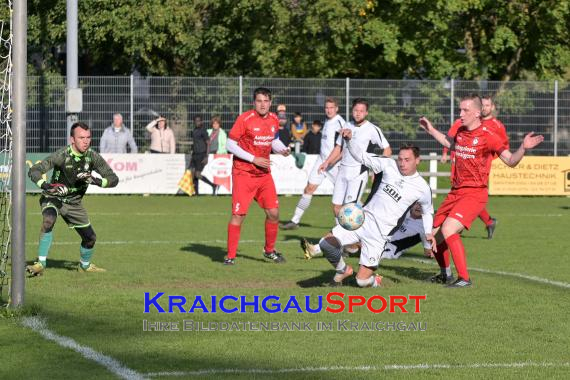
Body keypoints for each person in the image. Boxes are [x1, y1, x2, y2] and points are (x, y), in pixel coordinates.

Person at [419, 94, 543, 287]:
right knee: (431, 236)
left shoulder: (488, 136)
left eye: (465, 110)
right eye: (460, 109)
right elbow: (449, 143)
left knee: (449, 229)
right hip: (455, 192)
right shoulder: (460, 131)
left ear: (477, 113)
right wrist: (431, 130)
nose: (460, 114)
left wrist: (523, 148)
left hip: (475, 193)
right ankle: (446, 274)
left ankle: (464, 279)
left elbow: (511, 161)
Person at [309, 138, 435, 287]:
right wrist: (349, 140)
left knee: (361, 282)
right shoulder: (388, 165)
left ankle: (375, 281)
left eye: (407, 160)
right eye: (400, 159)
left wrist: (428, 232)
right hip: (361, 220)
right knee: (326, 244)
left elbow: (427, 212)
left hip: (379, 235)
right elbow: (361, 155)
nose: (402, 163)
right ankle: (342, 270)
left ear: (417, 160)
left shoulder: (422, 187)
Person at [26, 122, 119, 276]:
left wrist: (95, 180)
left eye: (88, 137)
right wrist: (47, 186)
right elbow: (35, 170)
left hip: (75, 204)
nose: (86, 141)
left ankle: (85, 265)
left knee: (90, 239)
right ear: (72, 140)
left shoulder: (93, 157)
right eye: (81, 137)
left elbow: (113, 179)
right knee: (48, 220)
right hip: (53, 197)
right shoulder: (62, 155)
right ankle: (40, 263)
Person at [224, 87, 291, 265]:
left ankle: (269, 251)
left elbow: (274, 140)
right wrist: (254, 159)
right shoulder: (244, 119)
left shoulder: (274, 119)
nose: (263, 104)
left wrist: (282, 149)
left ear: (270, 103)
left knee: (274, 213)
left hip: (263, 174)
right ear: (254, 102)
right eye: (259, 101)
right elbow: (230, 145)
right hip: (243, 173)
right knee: (239, 215)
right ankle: (230, 257)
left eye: (266, 101)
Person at [440, 95, 509, 239]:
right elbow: (450, 139)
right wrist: (446, 153)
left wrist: (488, 158)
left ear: (492, 107)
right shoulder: (464, 123)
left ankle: (466, 221)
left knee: (472, 196)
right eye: (482, 105)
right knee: (465, 196)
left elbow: (503, 148)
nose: (484, 108)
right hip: (460, 165)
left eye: (487, 105)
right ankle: (485, 221)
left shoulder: (497, 126)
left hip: (479, 169)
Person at [320, 98, 392, 218]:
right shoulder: (347, 125)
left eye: (361, 111)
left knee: (349, 210)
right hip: (342, 171)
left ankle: (347, 235)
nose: (358, 113)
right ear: (352, 111)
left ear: (366, 113)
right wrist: (327, 162)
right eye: (355, 110)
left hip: (358, 173)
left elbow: (387, 150)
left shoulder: (372, 129)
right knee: (336, 207)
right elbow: (339, 147)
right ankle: (340, 235)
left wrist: (378, 170)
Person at [280, 97, 345, 230]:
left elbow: (343, 148)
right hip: (321, 161)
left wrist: (330, 162)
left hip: (335, 165)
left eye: (331, 107)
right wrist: (324, 161)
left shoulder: (340, 123)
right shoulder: (328, 121)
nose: (329, 110)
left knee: (341, 198)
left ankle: (342, 228)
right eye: (327, 107)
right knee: (309, 189)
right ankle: (295, 221)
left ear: (337, 109)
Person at [302, 202, 434, 261]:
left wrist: (432, 250)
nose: (418, 207)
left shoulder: (423, 227)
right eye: (417, 204)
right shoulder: (403, 212)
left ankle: (326, 250)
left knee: (356, 245)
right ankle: (317, 249)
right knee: (352, 233)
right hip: (379, 237)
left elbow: (428, 251)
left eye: (422, 206)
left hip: (390, 249)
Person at [190, 114, 217, 195]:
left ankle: (213, 185)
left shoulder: (203, 130)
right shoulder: (194, 131)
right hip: (195, 155)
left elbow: (208, 143)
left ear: (201, 121)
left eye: (198, 121)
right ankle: (196, 193)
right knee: (193, 174)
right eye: (195, 121)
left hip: (202, 155)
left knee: (197, 174)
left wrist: (206, 156)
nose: (197, 122)